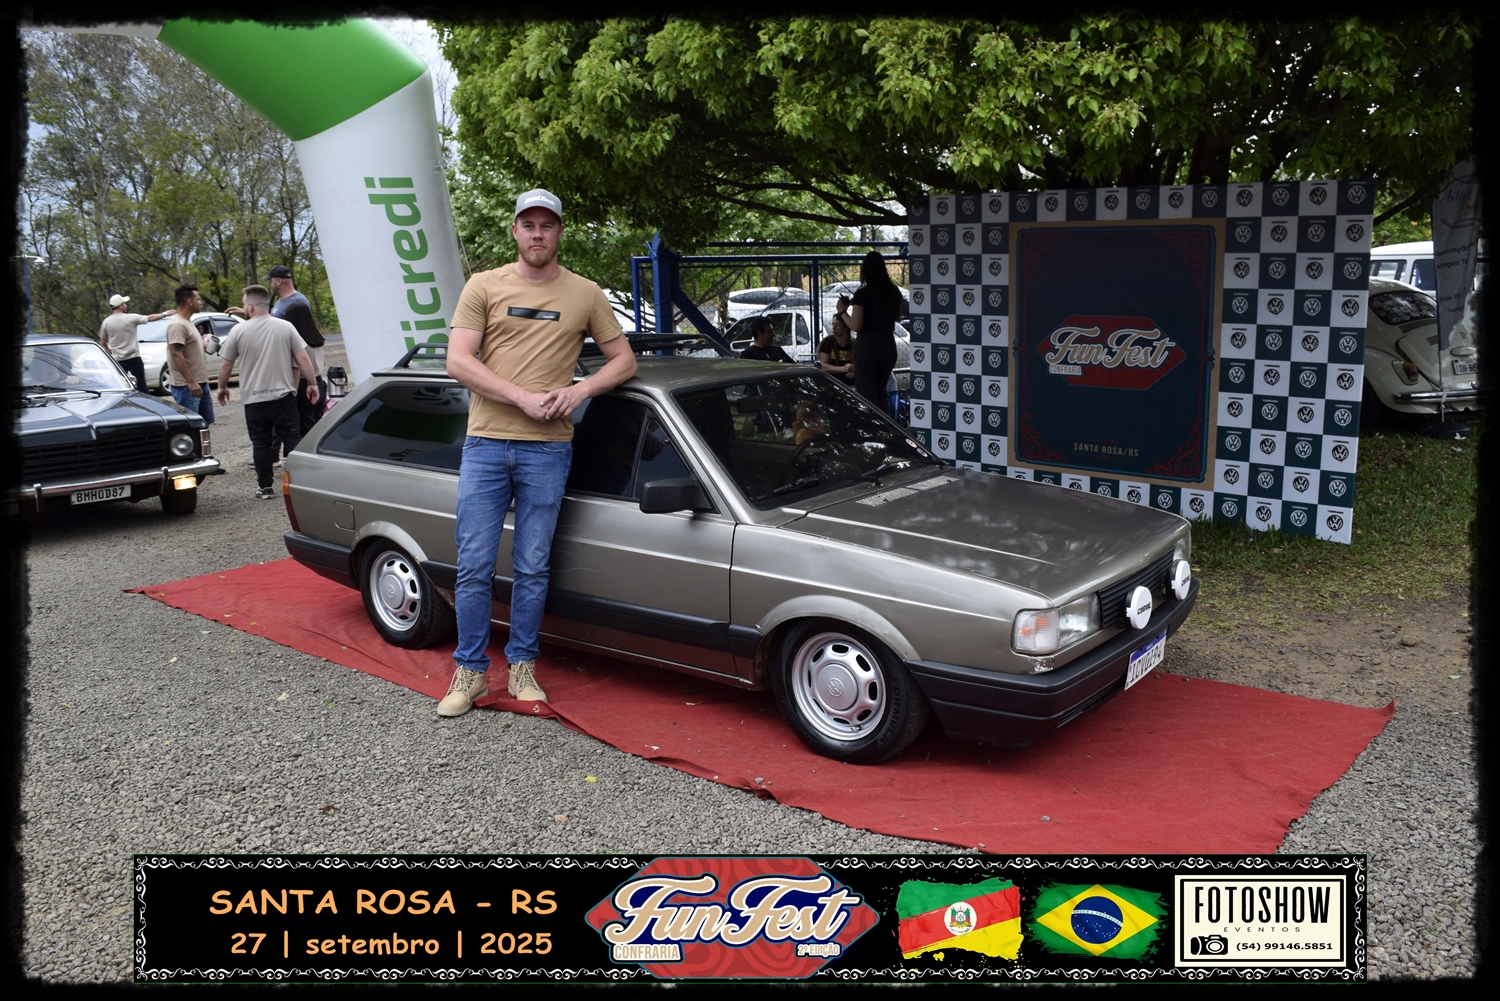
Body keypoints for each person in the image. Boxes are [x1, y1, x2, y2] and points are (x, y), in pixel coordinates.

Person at [439, 188, 637, 717]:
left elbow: (624, 361)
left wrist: (580, 391)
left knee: (532, 565)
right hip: (485, 444)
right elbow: (458, 361)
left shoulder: (586, 293)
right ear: (515, 230)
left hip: (548, 450)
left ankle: (522, 666)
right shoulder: (484, 285)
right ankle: (470, 672)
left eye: (547, 225)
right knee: (474, 565)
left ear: (559, 232)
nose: (537, 234)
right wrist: (521, 398)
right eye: (528, 224)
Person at [215, 285, 320, 500]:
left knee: (261, 443)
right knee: (292, 438)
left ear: (251, 305)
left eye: (244, 304)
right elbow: (302, 357)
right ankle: (301, 484)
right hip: (283, 397)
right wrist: (312, 383)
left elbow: (226, 364)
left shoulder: (238, 331)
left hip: (254, 399)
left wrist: (222, 387)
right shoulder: (285, 327)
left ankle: (265, 487)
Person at [841, 250, 904, 411]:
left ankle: (872, 424)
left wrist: (842, 312)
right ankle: (884, 423)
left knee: (867, 393)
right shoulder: (893, 291)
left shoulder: (863, 294)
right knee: (882, 390)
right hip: (887, 344)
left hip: (867, 346)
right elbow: (896, 318)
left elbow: (856, 325)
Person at [164, 285, 214, 425]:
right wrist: (191, 382)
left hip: (200, 382)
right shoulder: (177, 325)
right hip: (187, 387)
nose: (200, 302)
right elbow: (176, 354)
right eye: (198, 299)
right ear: (189, 302)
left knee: (204, 425)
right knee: (192, 426)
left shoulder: (188, 322)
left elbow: (190, 348)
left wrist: (207, 344)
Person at [98, 293, 168, 392]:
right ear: (120, 306)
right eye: (124, 303)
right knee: (141, 383)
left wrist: (110, 352)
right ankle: (144, 399)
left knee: (120, 384)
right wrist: (165, 314)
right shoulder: (130, 318)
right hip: (133, 357)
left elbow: (102, 342)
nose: (126, 305)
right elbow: (151, 318)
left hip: (118, 359)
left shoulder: (106, 322)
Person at [817, 312, 856, 387]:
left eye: (837, 325)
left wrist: (852, 371)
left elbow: (858, 365)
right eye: (832, 324)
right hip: (831, 383)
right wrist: (843, 369)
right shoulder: (827, 342)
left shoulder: (854, 344)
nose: (833, 327)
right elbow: (824, 366)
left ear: (846, 328)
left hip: (851, 384)